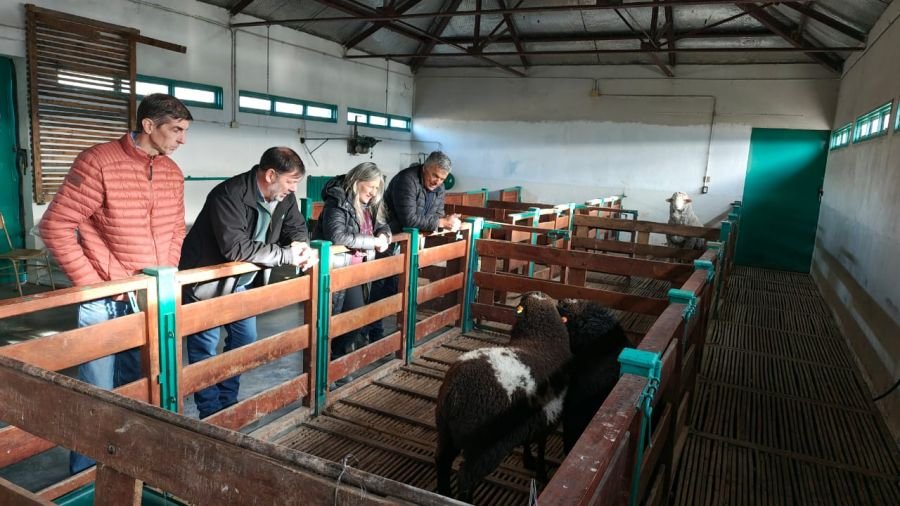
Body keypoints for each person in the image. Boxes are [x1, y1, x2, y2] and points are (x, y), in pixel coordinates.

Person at [39, 93, 192, 474]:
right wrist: (94, 284)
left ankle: (130, 473)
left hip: (152, 298)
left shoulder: (172, 172)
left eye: (185, 131)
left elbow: (176, 229)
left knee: (144, 389)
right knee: (97, 396)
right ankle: (85, 483)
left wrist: (166, 274)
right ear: (149, 126)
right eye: (176, 130)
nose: (182, 140)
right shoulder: (99, 162)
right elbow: (55, 226)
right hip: (105, 301)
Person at [179, 147, 317, 419]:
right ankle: (210, 411)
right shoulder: (228, 195)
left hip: (241, 282)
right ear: (270, 174)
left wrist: (301, 244)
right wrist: (287, 255)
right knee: (205, 347)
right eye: (290, 181)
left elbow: (297, 226)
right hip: (206, 283)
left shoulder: (284, 197)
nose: (293, 189)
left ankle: (228, 401)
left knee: (245, 339)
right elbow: (236, 248)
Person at [367, 151, 461, 342]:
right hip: (388, 238)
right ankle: (371, 331)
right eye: (434, 175)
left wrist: (438, 221)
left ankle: (375, 329)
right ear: (425, 167)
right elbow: (409, 219)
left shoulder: (439, 188)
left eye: (442, 178)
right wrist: (442, 223)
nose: (437, 181)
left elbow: (438, 212)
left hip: (408, 242)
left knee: (395, 287)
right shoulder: (407, 180)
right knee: (380, 284)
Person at [312, 162, 391, 360]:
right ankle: (326, 364)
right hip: (337, 268)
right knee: (333, 321)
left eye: (377, 188)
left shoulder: (371, 203)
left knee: (354, 320)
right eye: (371, 186)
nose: (374, 192)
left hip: (359, 269)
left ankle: (337, 359)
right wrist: (374, 242)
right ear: (357, 181)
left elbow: (382, 224)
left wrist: (385, 236)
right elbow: (337, 235)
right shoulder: (337, 200)